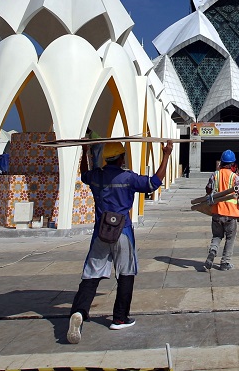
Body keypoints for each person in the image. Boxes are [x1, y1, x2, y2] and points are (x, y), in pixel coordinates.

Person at [66, 140, 173, 344]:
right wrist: (166, 154)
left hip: (101, 232)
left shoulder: (97, 176)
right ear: (122, 158)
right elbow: (154, 182)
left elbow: (84, 174)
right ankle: (119, 317)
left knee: (91, 275)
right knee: (126, 273)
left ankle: (79, 311)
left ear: (106, 158)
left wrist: (85, 151)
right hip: (122, 232)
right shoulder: (128, 177)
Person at [205, 150, 239, 271]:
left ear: (221, 162)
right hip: (231, 214)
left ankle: (213, 250)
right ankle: (225, 263)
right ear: (233, 164)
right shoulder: (234, 177)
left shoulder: (214, 175)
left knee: (217, 236)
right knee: (230, 238)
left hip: (216, 212)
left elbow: (208, 190)